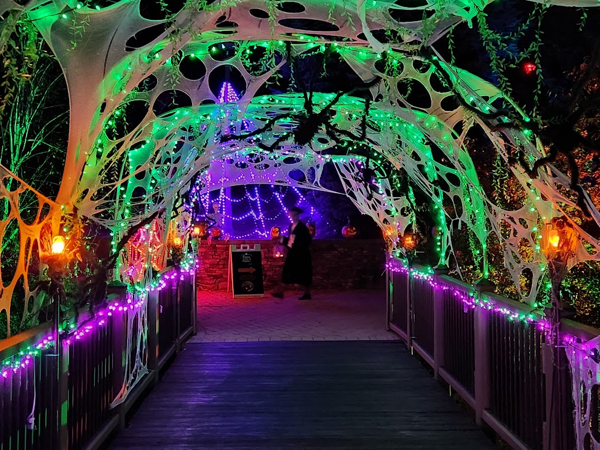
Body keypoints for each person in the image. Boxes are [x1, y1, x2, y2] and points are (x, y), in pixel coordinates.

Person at [272, 206, 313, 300]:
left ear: (296, 214)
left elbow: (306, 241)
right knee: (287, 270)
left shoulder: (302, 227)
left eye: (291, 212)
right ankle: (280, 291)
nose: (289, 214)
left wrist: (296, 245)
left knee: (302, 273)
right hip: (293, 253)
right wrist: (283, 240)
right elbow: (291, 241)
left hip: (301, 254)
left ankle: (307, 293)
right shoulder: (291, 226)